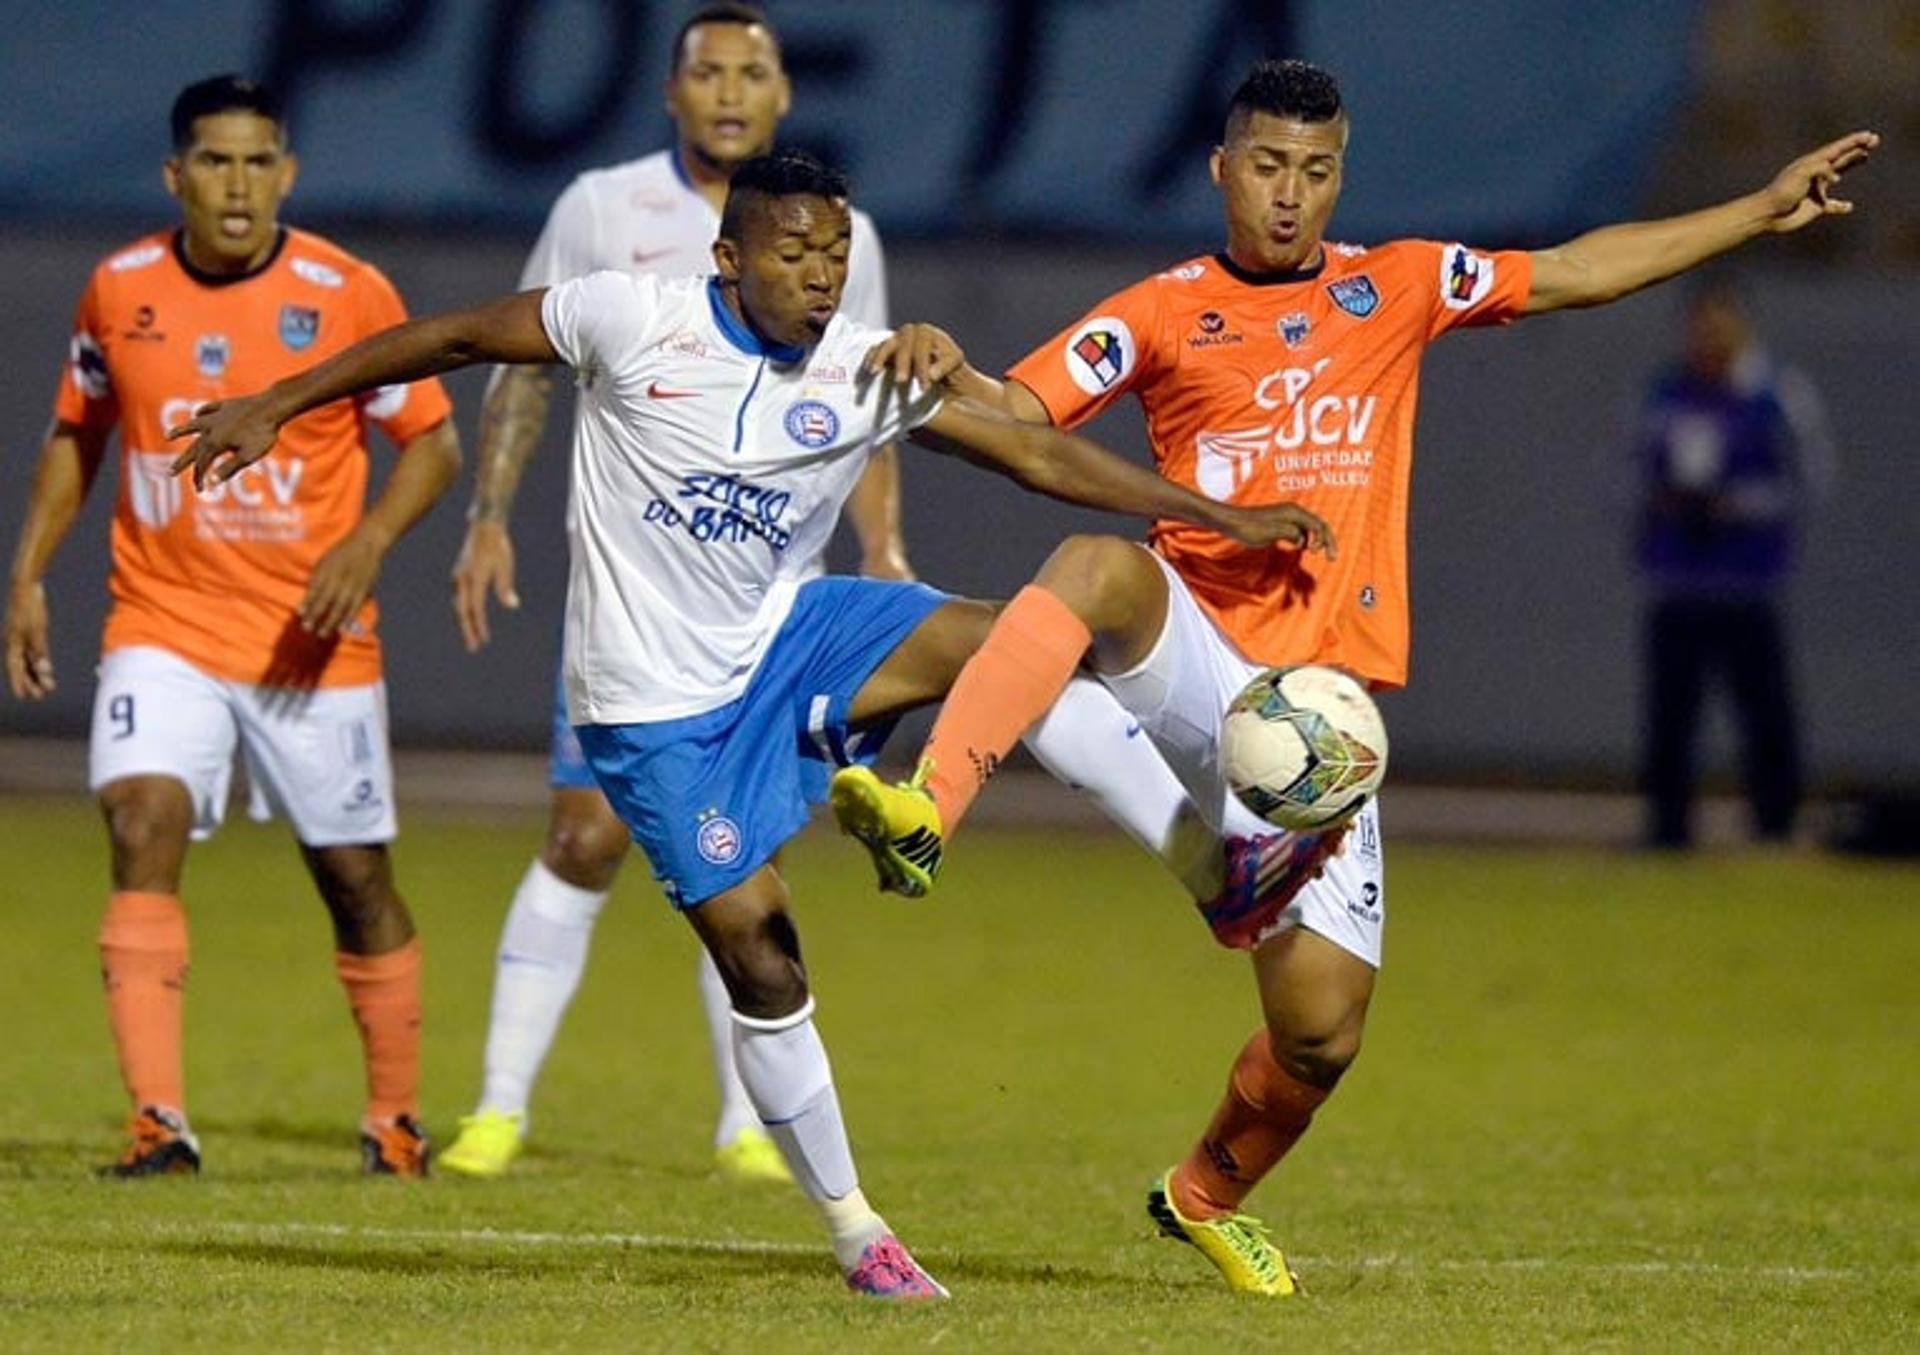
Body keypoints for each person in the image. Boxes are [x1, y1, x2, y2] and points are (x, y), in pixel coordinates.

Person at [168, 150, 1328, 1296]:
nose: (822, 273)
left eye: (836, 249)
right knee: (763, 959)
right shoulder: (630, 318)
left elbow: (1032, 450)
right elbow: (458, 338)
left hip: (789, 635)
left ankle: (1207, 863)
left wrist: (1213, 512)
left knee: (1022, 640)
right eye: (794, 250)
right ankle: (854, 1226)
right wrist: (278, 400)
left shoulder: (861, 367)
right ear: (729, 257)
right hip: (652, 710)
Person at [830, 59, 1876, 1295]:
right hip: (1197, 655)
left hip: (1323, 720)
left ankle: (1205, 1191)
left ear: (1340, 179)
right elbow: (1021, 404)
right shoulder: (1163, 310)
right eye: (1267, 166)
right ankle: (928, 806)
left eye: (1315, 172)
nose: (1289, 195)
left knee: (1320, 1034)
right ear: (1223, 170)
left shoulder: (1401, 282)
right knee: (1096, 565)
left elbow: (1583, 269)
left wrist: (1759, 207)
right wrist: (948, 370)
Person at [440, 0, 908, 1185]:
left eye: (755, 71)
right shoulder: (602, 208)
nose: (732, 90)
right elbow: (521, 364)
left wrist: (885, 547)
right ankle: (498, 1106)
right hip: (634, 604)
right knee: (583, 833)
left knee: (749, 862)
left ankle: (744, 1124)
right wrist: (489, 514)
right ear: (672, 91)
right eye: (709, 71)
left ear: (786, 92)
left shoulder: (838, 234)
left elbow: (875, 409)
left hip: (764, 609)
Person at [2, 76, 461, 1177]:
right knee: (140, 815)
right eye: (216, 161)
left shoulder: (346, 291)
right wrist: (27, 571)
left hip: (312, 640)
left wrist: (368, 542)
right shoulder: (117, 289)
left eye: (259, 161)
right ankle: (159, 1119)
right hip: (162, 622)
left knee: (356, 881)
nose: (239, 183)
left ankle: (393, 1117)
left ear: (288, 174)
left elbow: (435, 444)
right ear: (176, 175)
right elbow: (79, 432)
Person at [1636, 279, 1835, 848]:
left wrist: (1741, 506)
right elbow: (1630, 473)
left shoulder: (1774, 394)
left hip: (1748, 583)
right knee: (1671, 718)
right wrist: (1663, 509)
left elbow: (1808, 479)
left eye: (1719, 324)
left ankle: (1777, 825)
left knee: (1765, 712)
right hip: (1679, 581)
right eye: (1699, 325)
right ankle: (1667, 830)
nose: (1708, 337)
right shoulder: (1667, 394)